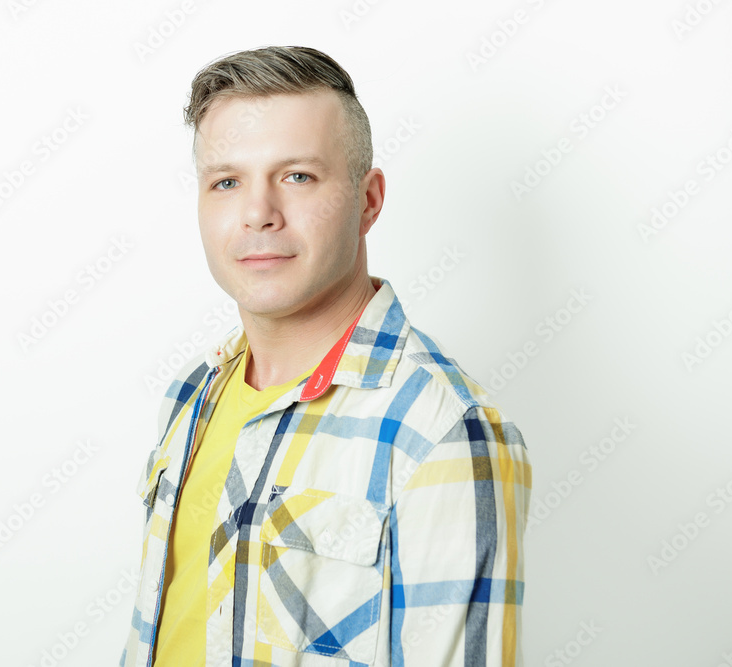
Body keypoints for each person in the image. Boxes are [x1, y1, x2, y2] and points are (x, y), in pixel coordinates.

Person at [121, 45, 532, 667]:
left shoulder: (442, 431)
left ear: (369, 200)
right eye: (227, 182)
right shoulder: (191, 393)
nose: (258, 214)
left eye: (297, 177)